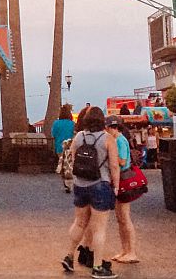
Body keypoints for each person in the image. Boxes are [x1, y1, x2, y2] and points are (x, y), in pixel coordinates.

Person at [61, 107, 120, 278]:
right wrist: (115, 186)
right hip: (100, 184)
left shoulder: (79, 136)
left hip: (81, 184)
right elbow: (114, 166)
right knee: (99, 228)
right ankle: (98, 267)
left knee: (79, 222)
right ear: (102, 121)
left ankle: (69, 256)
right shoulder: (108, 139)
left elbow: (72, 157)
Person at [105, 115, 139, 265]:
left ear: (112, 128)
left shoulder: (119, 141)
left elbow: (122, 161)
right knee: (120, 218)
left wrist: (110, 155)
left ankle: (131, 251)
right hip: (120, 180)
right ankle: (125, 250)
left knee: (124, 217)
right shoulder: (118, 139)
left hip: (124, 181)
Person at [50, 104, 75, 193]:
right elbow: (74, 134)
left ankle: (65, 182)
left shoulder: (56, 123)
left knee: (62, 164)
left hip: (59, 146)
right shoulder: (72, 123)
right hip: (70, 146)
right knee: (70, 164)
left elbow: (53, 134)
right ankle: (70, 181)